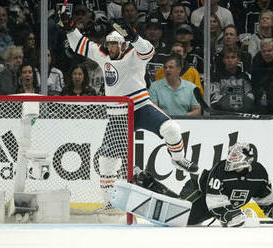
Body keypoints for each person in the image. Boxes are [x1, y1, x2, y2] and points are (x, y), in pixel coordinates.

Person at [62, 11, 198, 208]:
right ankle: (108, 203)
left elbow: (149, 51)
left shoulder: (133, 54)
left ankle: (178, 159)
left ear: (123, 44)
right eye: (109, 44)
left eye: (116, 44)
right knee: (107, 160)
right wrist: (70, 28)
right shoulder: (103, 55)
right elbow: (79, 44)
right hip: (118, 115)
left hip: (141, 106)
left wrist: (134, 36)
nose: (112, 48)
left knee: (172, 129)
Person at [134, 142, 273, 227]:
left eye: (236, 157)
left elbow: (267, 200)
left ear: (248, 160)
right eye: (231, 156)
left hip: (211, 204)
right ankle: (145, 181)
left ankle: (146, 181)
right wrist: (232, 217)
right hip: (200, 192)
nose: (232, 160)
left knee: (183, 217)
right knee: (177, 215)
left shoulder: (259, 174)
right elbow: (215, 203)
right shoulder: (221, 170)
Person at [211, 46, 255, 113]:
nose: (230, 60)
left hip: (242, 112)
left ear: (238, 60)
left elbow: (250, 96)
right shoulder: (217, 77)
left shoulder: (244, 77)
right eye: (227, 57)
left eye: (233, 57)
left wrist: (239, 102)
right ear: (223, 60)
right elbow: (214, 97)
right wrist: (228, 101)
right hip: (222, 112)